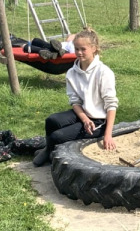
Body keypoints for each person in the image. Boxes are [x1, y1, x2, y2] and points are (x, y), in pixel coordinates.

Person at [33, 28, 118, 166]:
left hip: (98, 121)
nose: (79, 52)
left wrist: (108, 135)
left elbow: (111, 105)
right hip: (82, 113)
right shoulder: (72, 72)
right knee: (51, 121)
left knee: (57, 136)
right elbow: (75, 101)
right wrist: (84, 119)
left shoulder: (104, 72)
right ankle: (48, 150)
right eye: (76, 48)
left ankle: (51, 150)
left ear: (94, 49)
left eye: (83, 49)